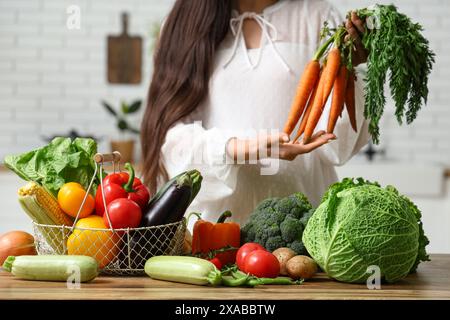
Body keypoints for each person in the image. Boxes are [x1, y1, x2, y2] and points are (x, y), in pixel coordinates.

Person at [141, 0, 370, 228]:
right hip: (212, 229)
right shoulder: (184, 24)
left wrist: (349, 70)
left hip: (305, 223)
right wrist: (238, 148)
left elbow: (337, 147)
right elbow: (171, 140)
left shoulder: (319, 16)